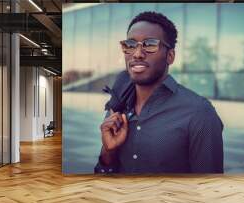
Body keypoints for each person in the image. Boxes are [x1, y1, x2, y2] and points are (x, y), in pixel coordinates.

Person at [94, 11, 224, 174]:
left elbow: (210, 189)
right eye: (130, 45)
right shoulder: (117, 105)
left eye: (150, 45)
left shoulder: (199, 113)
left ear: (170, 56)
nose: (137, 54)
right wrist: (108, 152)